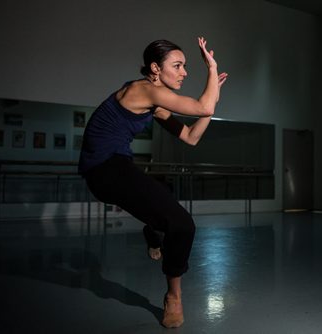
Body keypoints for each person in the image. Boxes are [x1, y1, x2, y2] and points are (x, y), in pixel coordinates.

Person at [78, 37, 228, 328]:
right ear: (155, 69)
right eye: (178, 65)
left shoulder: (154, 103)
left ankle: (154, 231)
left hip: (119, 166)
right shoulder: (142, 90)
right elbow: (202, 106)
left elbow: (191, 137)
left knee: (166, 199)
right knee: (183, 224)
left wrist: (213, 98)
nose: (184, 72)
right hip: (103, 171)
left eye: (185, 65)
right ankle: (173, 297)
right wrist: (211, 68)